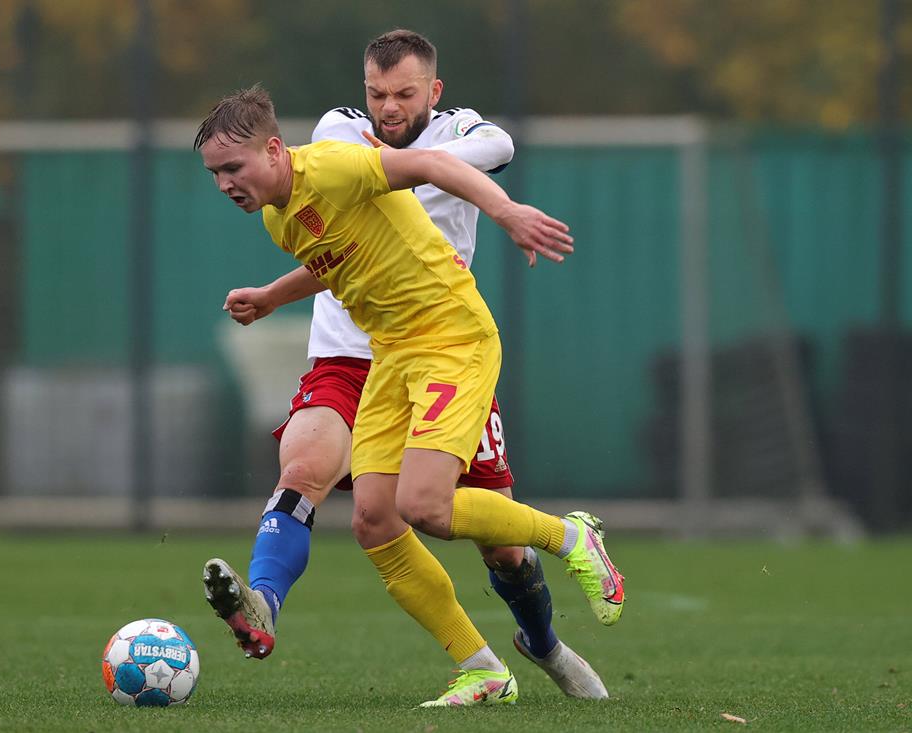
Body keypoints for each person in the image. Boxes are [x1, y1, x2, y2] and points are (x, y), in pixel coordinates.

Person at [195, 72, 625, 706]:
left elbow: (426, 163)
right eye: (214, 174)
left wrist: (505, 212)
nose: (225, 183)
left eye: (232, 166)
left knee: (430, 508)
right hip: (393, 354)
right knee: (374, 521)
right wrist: (269, 297)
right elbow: (334, 262)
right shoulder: (277, 219)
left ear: (274, 150)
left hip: (450, 338)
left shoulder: (337, 166)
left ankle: (572, 537)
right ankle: (482, 668)